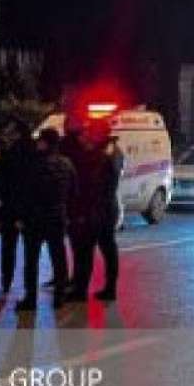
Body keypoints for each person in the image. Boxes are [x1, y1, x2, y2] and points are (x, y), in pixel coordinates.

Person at [17, 127, 77, 312]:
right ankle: (60, 296)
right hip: (57, 216)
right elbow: (74, 191)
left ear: (44, 142)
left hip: (35, 219)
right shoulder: (67, 164)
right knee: (58, 257)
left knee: (31, 260)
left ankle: (30, 299)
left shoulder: (33, 164)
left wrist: (21, 217)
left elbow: (26, 193)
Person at [68, 120, 123, 301]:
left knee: (86, 249)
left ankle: (81, 290)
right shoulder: (115, 150)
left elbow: (92, 182)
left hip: (96, 207)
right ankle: (110, 288)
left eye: (91, 131)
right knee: (108, 248)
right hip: (108, 206)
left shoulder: (100, 153)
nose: (87, 134)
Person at [0, 118, 35, 295]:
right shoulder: (36, 154)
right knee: (31, 250)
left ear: (17, 133)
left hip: (10, 208)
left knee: (9, 247)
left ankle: (6, 281)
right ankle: (29, 287)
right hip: (32, 209)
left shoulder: (9, 154)